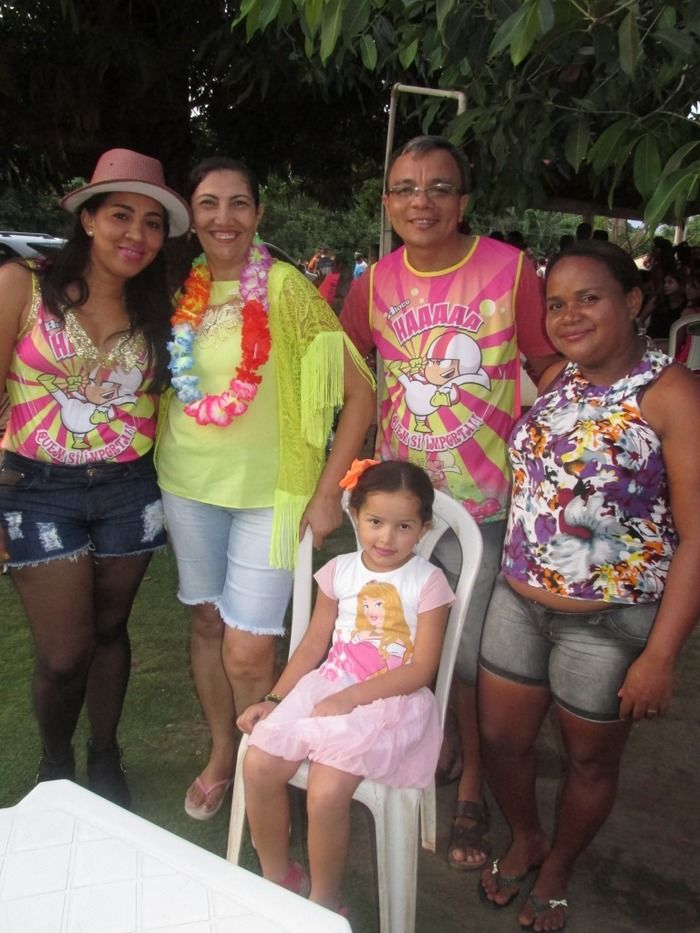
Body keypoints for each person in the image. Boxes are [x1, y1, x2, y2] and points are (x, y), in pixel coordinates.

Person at [340, 135, 558, 871]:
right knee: (401, 632)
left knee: (464, 650)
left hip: (487, 504)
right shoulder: (372, 284)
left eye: (438, 187)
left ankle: (468, 787)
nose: (421, 202)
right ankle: (431, 741)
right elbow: (350, 379)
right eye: (405, 188)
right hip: (401, 508)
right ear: (387, 202)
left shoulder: (510, 269)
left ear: (464, 200)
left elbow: (548, 368)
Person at [477, 241, 700, 931]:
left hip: (608, 622)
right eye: (556, 303)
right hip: (518, 598)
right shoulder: (561, 379)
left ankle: (559, 864)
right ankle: (526, 836)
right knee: (500, 740)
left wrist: (660, 656)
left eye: (589, 298)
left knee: (589, 760)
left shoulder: (672, 394)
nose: (568, 314)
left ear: (633, 302)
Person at [155, 156, 375, 820]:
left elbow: (360, 393)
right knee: (204, 620)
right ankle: (224, 751)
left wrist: (329, 490)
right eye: (209, 203)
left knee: (248, 646)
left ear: (259, 213)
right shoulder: (181, 287)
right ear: (191, 216)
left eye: (239, 203)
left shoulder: (286, 289)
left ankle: (264, 761)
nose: (224, 217)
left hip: (271, 497)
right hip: (187, 483)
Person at [0, 148, 190, 806]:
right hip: (36, 488)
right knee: (63, 653)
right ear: (87, 219)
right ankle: (55, 761)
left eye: (152, 223)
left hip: (129, 490)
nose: (136, 234)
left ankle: (105, 751)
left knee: (110, 631)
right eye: (120, 215)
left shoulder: (163, 309)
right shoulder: (23, 285)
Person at [237, 459, 455, 909]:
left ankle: (323, 901)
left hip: (390, 699)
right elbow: (313, 644)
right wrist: (275, 698)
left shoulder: (428, 582)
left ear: (424, 528)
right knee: (258, 764)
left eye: (403, 526)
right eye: (375, 522)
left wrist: (350, 699)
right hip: (329, 684)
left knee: (327, 790)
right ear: (355, 516)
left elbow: (421, 669)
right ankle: (279, 879)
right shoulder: (339, 571)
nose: (386, 538)